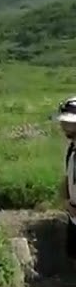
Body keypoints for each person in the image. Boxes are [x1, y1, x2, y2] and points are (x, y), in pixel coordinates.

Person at [58, 97, 76, 258]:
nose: (63, 126)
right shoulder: (72, 149)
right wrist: (65, 201)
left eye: (68, 122)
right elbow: (67, 177)